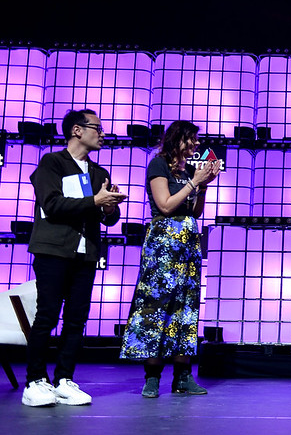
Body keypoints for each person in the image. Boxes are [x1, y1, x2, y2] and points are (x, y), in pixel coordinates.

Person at [23, 109, 126, 407]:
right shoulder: (52, 163)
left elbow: (107, 218)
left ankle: (64, 379)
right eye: (98, 128)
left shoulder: (99, 173)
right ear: (77, 130)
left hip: (85, 253)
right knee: (47, 316)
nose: (103, 133)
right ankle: (35, 380)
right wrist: (95, 200)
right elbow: (52, 204)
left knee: (76, 320)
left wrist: (109, 208)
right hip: (53, 251)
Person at [120, 121, 221, 398]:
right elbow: (165, 204)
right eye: (193, 139)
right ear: (179, 140)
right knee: (155, 308)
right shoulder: (159, 165)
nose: (197, 145)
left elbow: (196, 212)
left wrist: (204, 186)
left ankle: (182, 376)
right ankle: (152, 376)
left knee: (185, 309)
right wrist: (193, 183)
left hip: (188, 242)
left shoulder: (189, 171)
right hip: (163, 242)